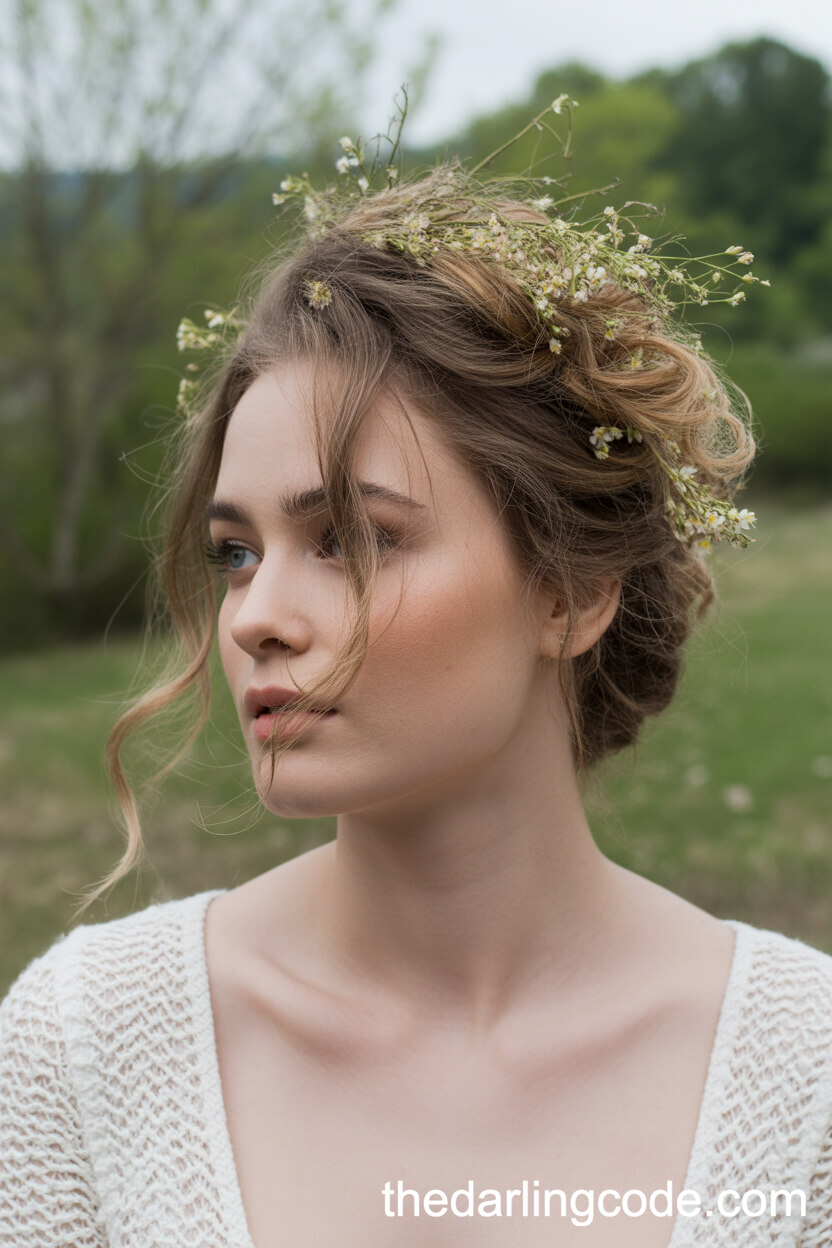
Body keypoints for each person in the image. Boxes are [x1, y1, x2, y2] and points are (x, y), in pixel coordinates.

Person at [1, 97, 831, 1247]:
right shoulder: (87, 1050)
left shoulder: (802, 1087)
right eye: (235, 553)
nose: (256, 617)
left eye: (350, 539)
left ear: (570, 591)